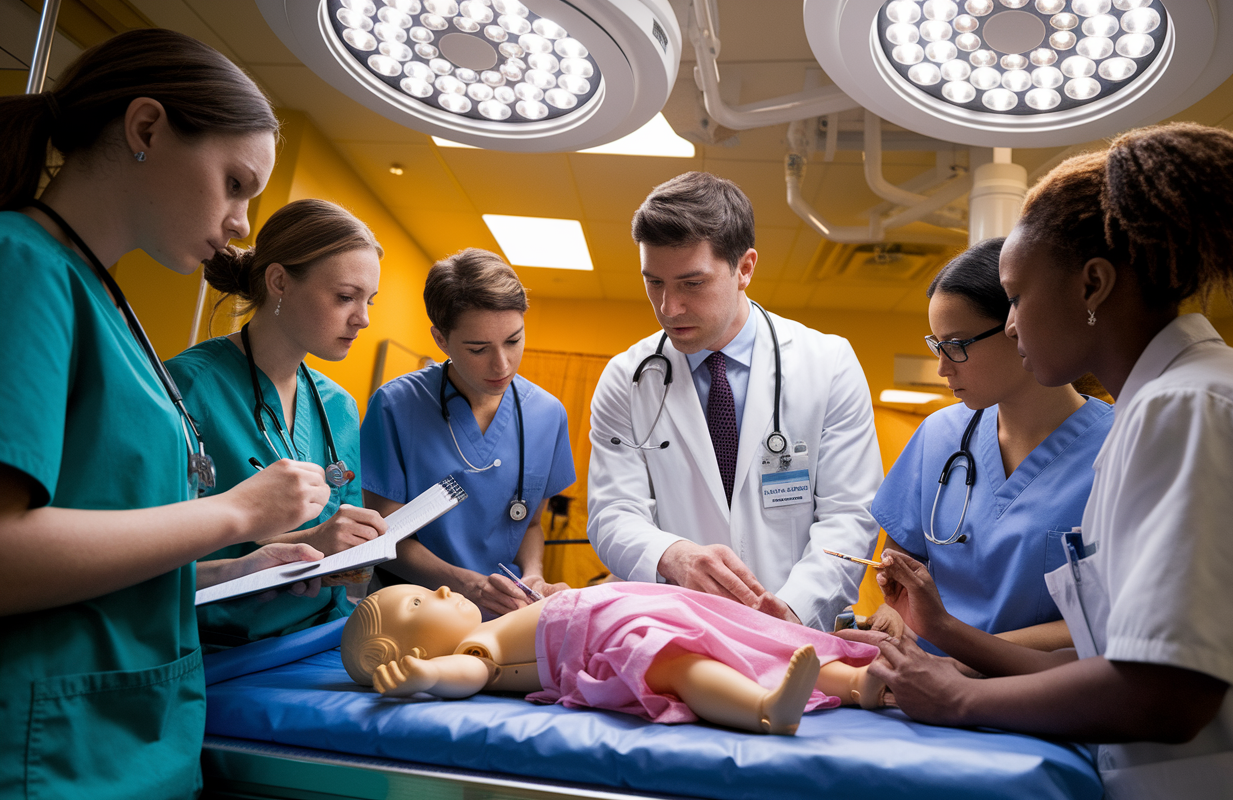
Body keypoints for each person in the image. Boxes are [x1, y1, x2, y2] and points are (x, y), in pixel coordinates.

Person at [863, 123, 1233, 799]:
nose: (1016, 323)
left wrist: (960, 701)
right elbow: (1115, 659)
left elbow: (1165, 695)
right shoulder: (1170, 405)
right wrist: (946, 638)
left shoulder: (1193, 408)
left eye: (1019, 296)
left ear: (1092, 285)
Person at [0, 29, 333, 799]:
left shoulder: (107, 302)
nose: (243, 222)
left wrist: (235, 568)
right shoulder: (23, 265)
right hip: (48, 752)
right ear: (146, 129)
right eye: (235, 183)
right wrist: (235, 512)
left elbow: (108, 544)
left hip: (133, 742)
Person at [587, 172, 883, 631]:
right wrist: (673, 555)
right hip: (675, 625)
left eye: (692, 283)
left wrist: (793, 610)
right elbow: (612, 513)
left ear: (744, 268)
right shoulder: (627, 378)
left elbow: (849, 514)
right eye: (654, 283)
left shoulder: (829, 364)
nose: (669, 307)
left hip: (798, 628)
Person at [866, 238, 1113, 654]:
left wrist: (968, 658)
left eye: (957, 346)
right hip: (925, 688)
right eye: (937, 346)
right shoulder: (938, 435)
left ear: (1020, 324)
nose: (942, 368)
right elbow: (900, 570)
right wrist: (892, 617)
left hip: (1042, 698)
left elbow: (1111, 619)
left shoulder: (1117, 445)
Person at [166, 198, 387, 651]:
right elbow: (148, 553)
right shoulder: (185, 388)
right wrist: (313, 541)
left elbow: (344, 538)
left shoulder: (339, 407)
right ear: (280, 281)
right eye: (346, 297)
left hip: (321, 638)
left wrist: (353, 554)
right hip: (212, 646)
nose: (363, 319)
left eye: (369, 301)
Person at [342, 582, 885, 735]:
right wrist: (428, 678)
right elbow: (467, 677)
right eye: (417, 602)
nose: (439, 591)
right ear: (410, 652)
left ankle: (861, 683)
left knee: (748, 643)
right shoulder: (471, 650)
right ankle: (765, 708)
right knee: (681, 667)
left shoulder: (487, 624)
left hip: (632, 610)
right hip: (610, 644)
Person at [361, 248, 575, 615]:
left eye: (513, 340)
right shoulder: (396, 406)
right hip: (414, 612)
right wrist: (467, 584)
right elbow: (387, 538)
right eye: (478, 349)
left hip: (505, 612)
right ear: (441, 340)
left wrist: (534, 574)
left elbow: (532, 524)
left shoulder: (547, 413)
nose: (502, 364)